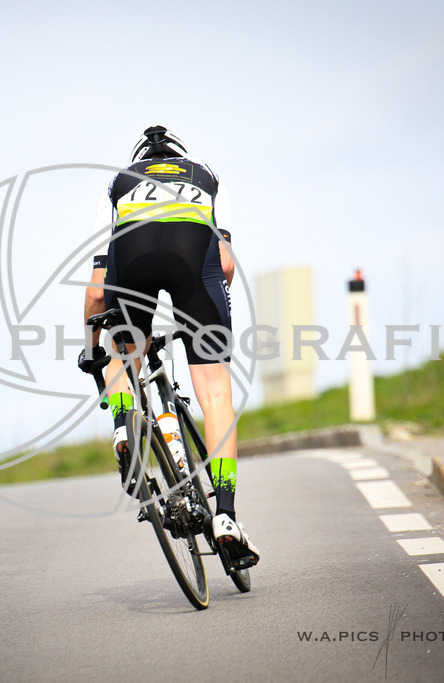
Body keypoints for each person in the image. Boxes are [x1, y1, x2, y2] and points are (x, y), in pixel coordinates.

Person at [80, 125, 259, 567]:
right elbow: (224, 263)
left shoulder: (118, 184)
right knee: (215, 390)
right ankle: (226, 516)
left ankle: (124, 426)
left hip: (132, 261)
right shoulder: (207, 177)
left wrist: (92, 349)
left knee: (123, 357)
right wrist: (207, 307)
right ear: (181, 155)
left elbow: (98, 291)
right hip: (194, 266)